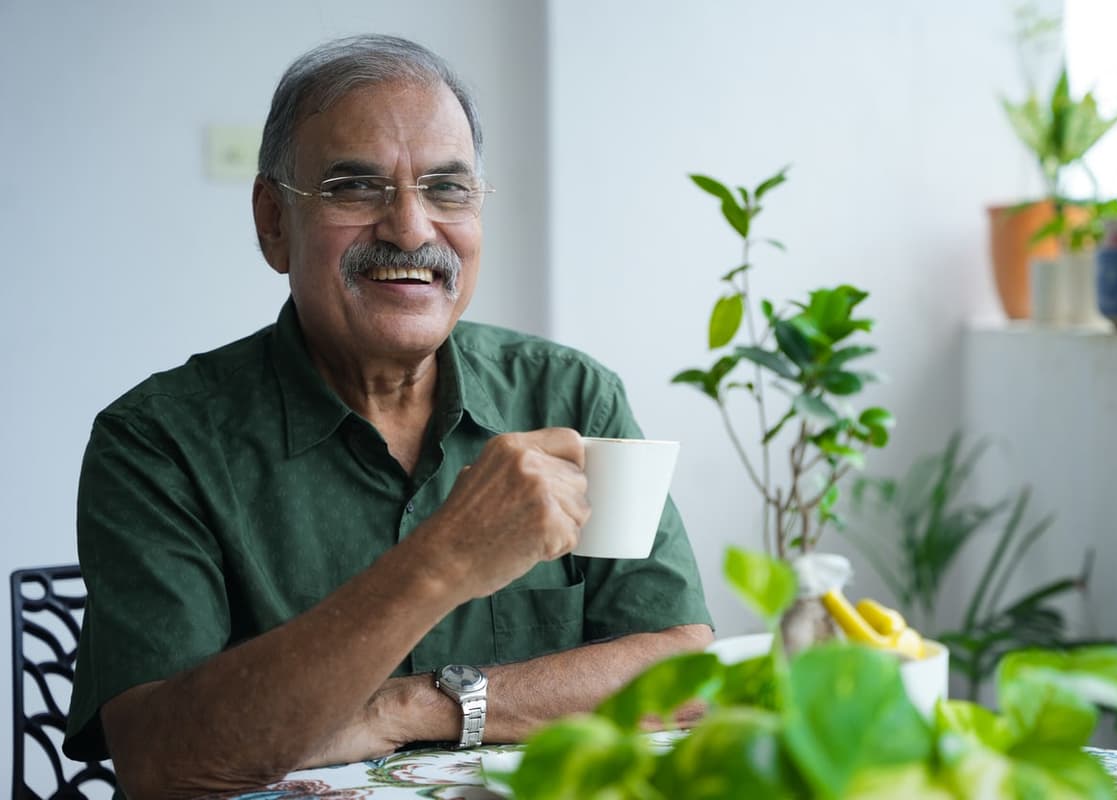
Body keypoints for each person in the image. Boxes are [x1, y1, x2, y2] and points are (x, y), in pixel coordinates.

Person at [63, 33, 712, 798]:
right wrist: (443, 562)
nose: (410, 229)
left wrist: (414, 705)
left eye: (447, 188)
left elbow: (680, 675)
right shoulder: (157, 443)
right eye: (356, 187)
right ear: (273, 222)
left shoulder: (569, 396)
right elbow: (163, 766)